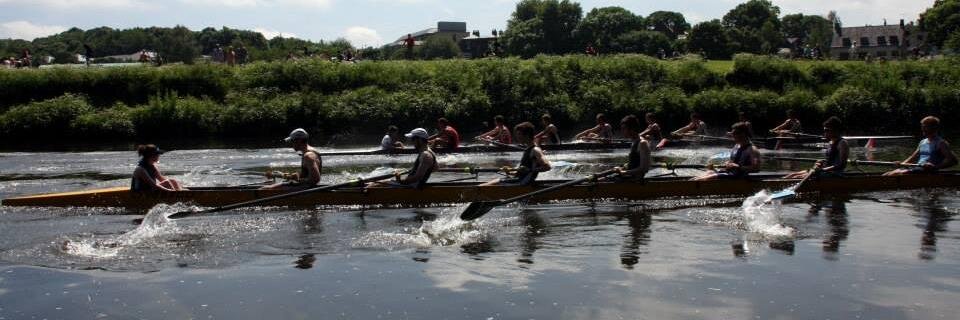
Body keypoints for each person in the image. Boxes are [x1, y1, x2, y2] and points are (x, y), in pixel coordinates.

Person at [884, 116, 958, 176]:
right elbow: (913, 158)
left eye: (925, 127)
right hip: (918, 169)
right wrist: (901, 164)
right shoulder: (922, 142)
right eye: (922, 126)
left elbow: (953, 161)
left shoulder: (941, 143)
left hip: (928, 172)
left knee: (894, 174)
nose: (922, 129)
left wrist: (935, 167)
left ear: (934, 128)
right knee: (886, 174)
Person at [481, 122, 550, 186]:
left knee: (485, 186)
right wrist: (511, 171)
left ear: (527, 135)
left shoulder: (536, 150)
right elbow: (523, 171)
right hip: (519, 179)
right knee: (489, 183)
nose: (517, 137)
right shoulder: (528, 149)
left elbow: (547, 167)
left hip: (522, 183)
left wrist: (530, 170)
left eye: (519, 134)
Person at [784, 117, 849, 179]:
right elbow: (831, 160)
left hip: (834, 174)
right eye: (824, 130)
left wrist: (823, 169)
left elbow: (842, 165)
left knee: (797, 177)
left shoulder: (842, 143)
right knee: (792, 175)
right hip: (825, 171)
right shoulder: (830, 142)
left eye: (826, 130)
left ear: (835, 130)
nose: (825, 133)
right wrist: (821, 162)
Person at [692, 122, 761, 181]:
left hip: (739, 177)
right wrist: (727, 164)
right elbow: (732, 163)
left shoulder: (752, 150)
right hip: (730, 173)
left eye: (735, 133)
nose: (733, 136)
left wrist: (738, 167)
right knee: (709, 172)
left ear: (743, 134)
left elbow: (756, 168)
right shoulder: (736, 146)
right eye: (732, 133)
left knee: (705, 178)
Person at [614, 115, 651, 180]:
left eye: (624, 129)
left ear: (632, 129)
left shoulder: (643, 143)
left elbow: (644, 168)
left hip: (636, 179)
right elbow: (634, 163)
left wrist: (623, 172)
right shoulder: (634, 142)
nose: (622, 131)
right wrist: (622, 168)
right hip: (630, 177)